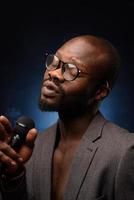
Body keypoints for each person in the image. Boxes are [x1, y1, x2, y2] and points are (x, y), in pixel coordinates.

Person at [0, 34, 134, 200]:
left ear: (99, 92)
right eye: (55, 61)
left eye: (72, 70)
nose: (54, 73)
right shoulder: (32, 147)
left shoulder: (125, 152)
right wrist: (14, 177)